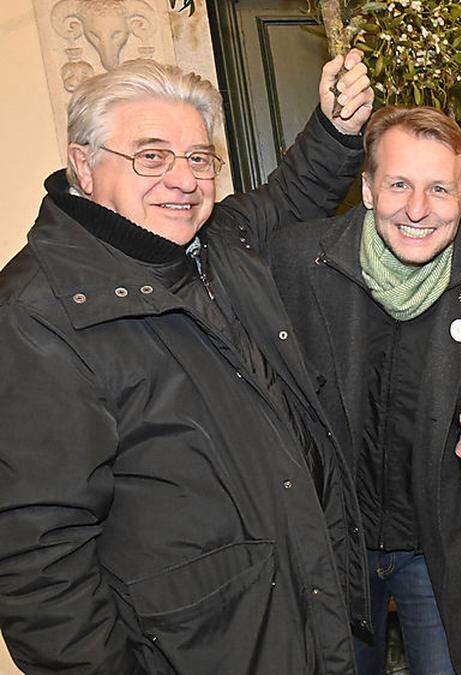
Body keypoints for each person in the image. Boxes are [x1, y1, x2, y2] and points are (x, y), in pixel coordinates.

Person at [0, 53, 374, 673]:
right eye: (152, 157)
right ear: (83, 166)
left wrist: (337, 131)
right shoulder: (38, 316)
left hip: (292, 622)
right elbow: (40, 565)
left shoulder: (215, 243)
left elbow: (289, 195)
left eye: (199, 158)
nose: (183, 181)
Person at [269, 105, 461, 675]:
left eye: (439, 189)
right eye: (399, 184)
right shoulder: (297, 260)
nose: (418, 209)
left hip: (433, 544)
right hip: (329, 545)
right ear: (367, 188)